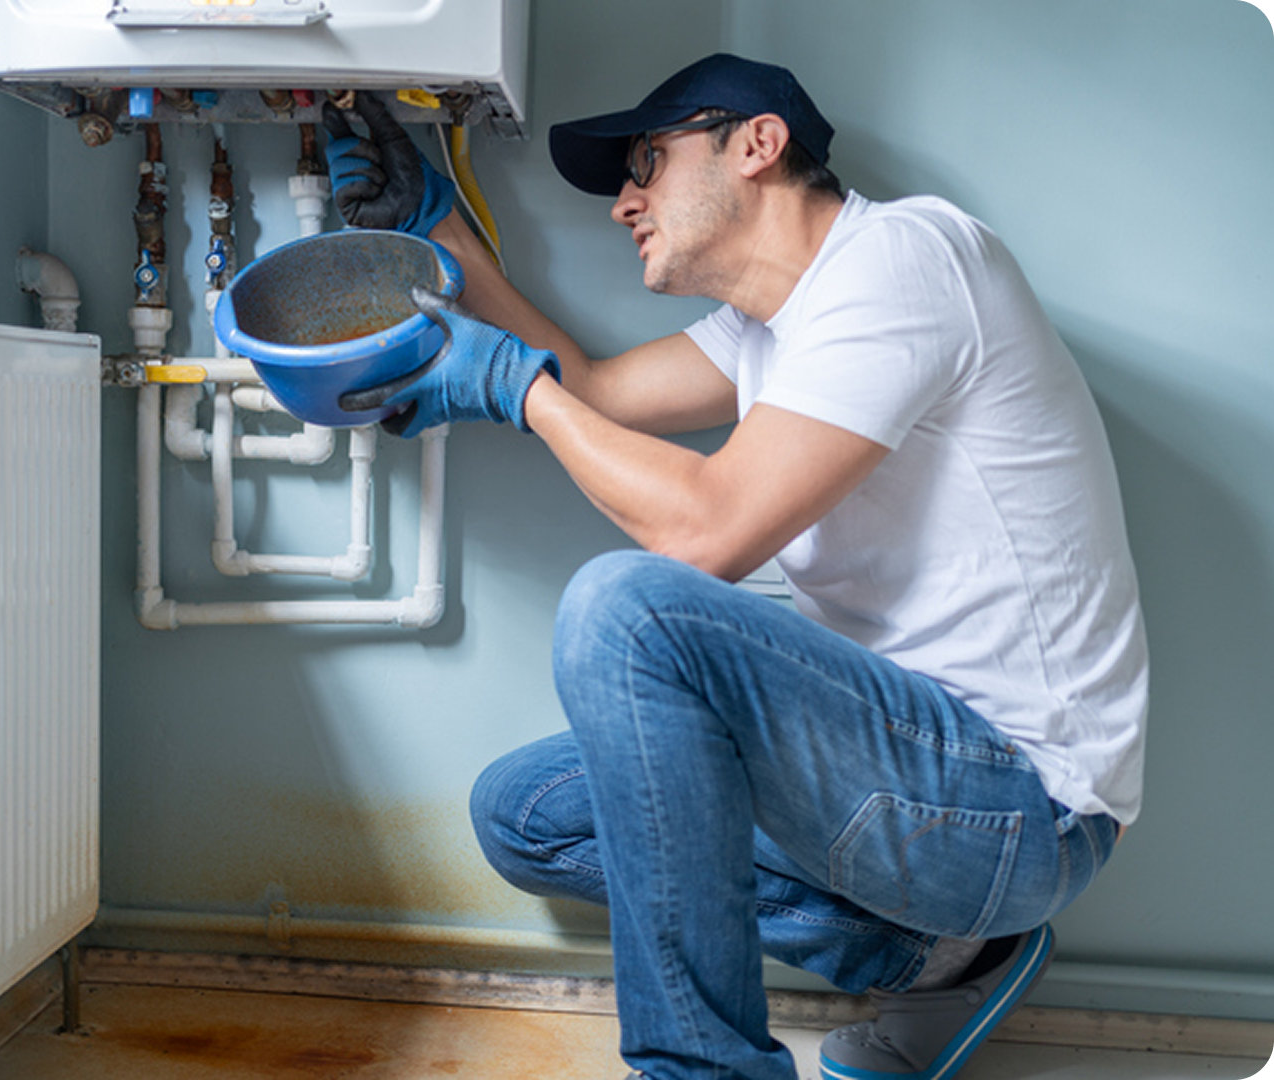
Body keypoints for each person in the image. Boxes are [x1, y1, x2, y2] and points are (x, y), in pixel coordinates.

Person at [323, 53, 1148, 1080]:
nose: (625, 201)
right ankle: (944, 960)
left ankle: (700, 1072)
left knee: (629, 607)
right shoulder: (769, 331)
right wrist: (440, 228)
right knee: (524, 818)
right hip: (894, 773)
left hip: (1017, 808)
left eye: (646, 162)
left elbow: (705, 533)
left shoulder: (906, 259)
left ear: (757, 144)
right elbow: (596, 386)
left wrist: (516, 393)